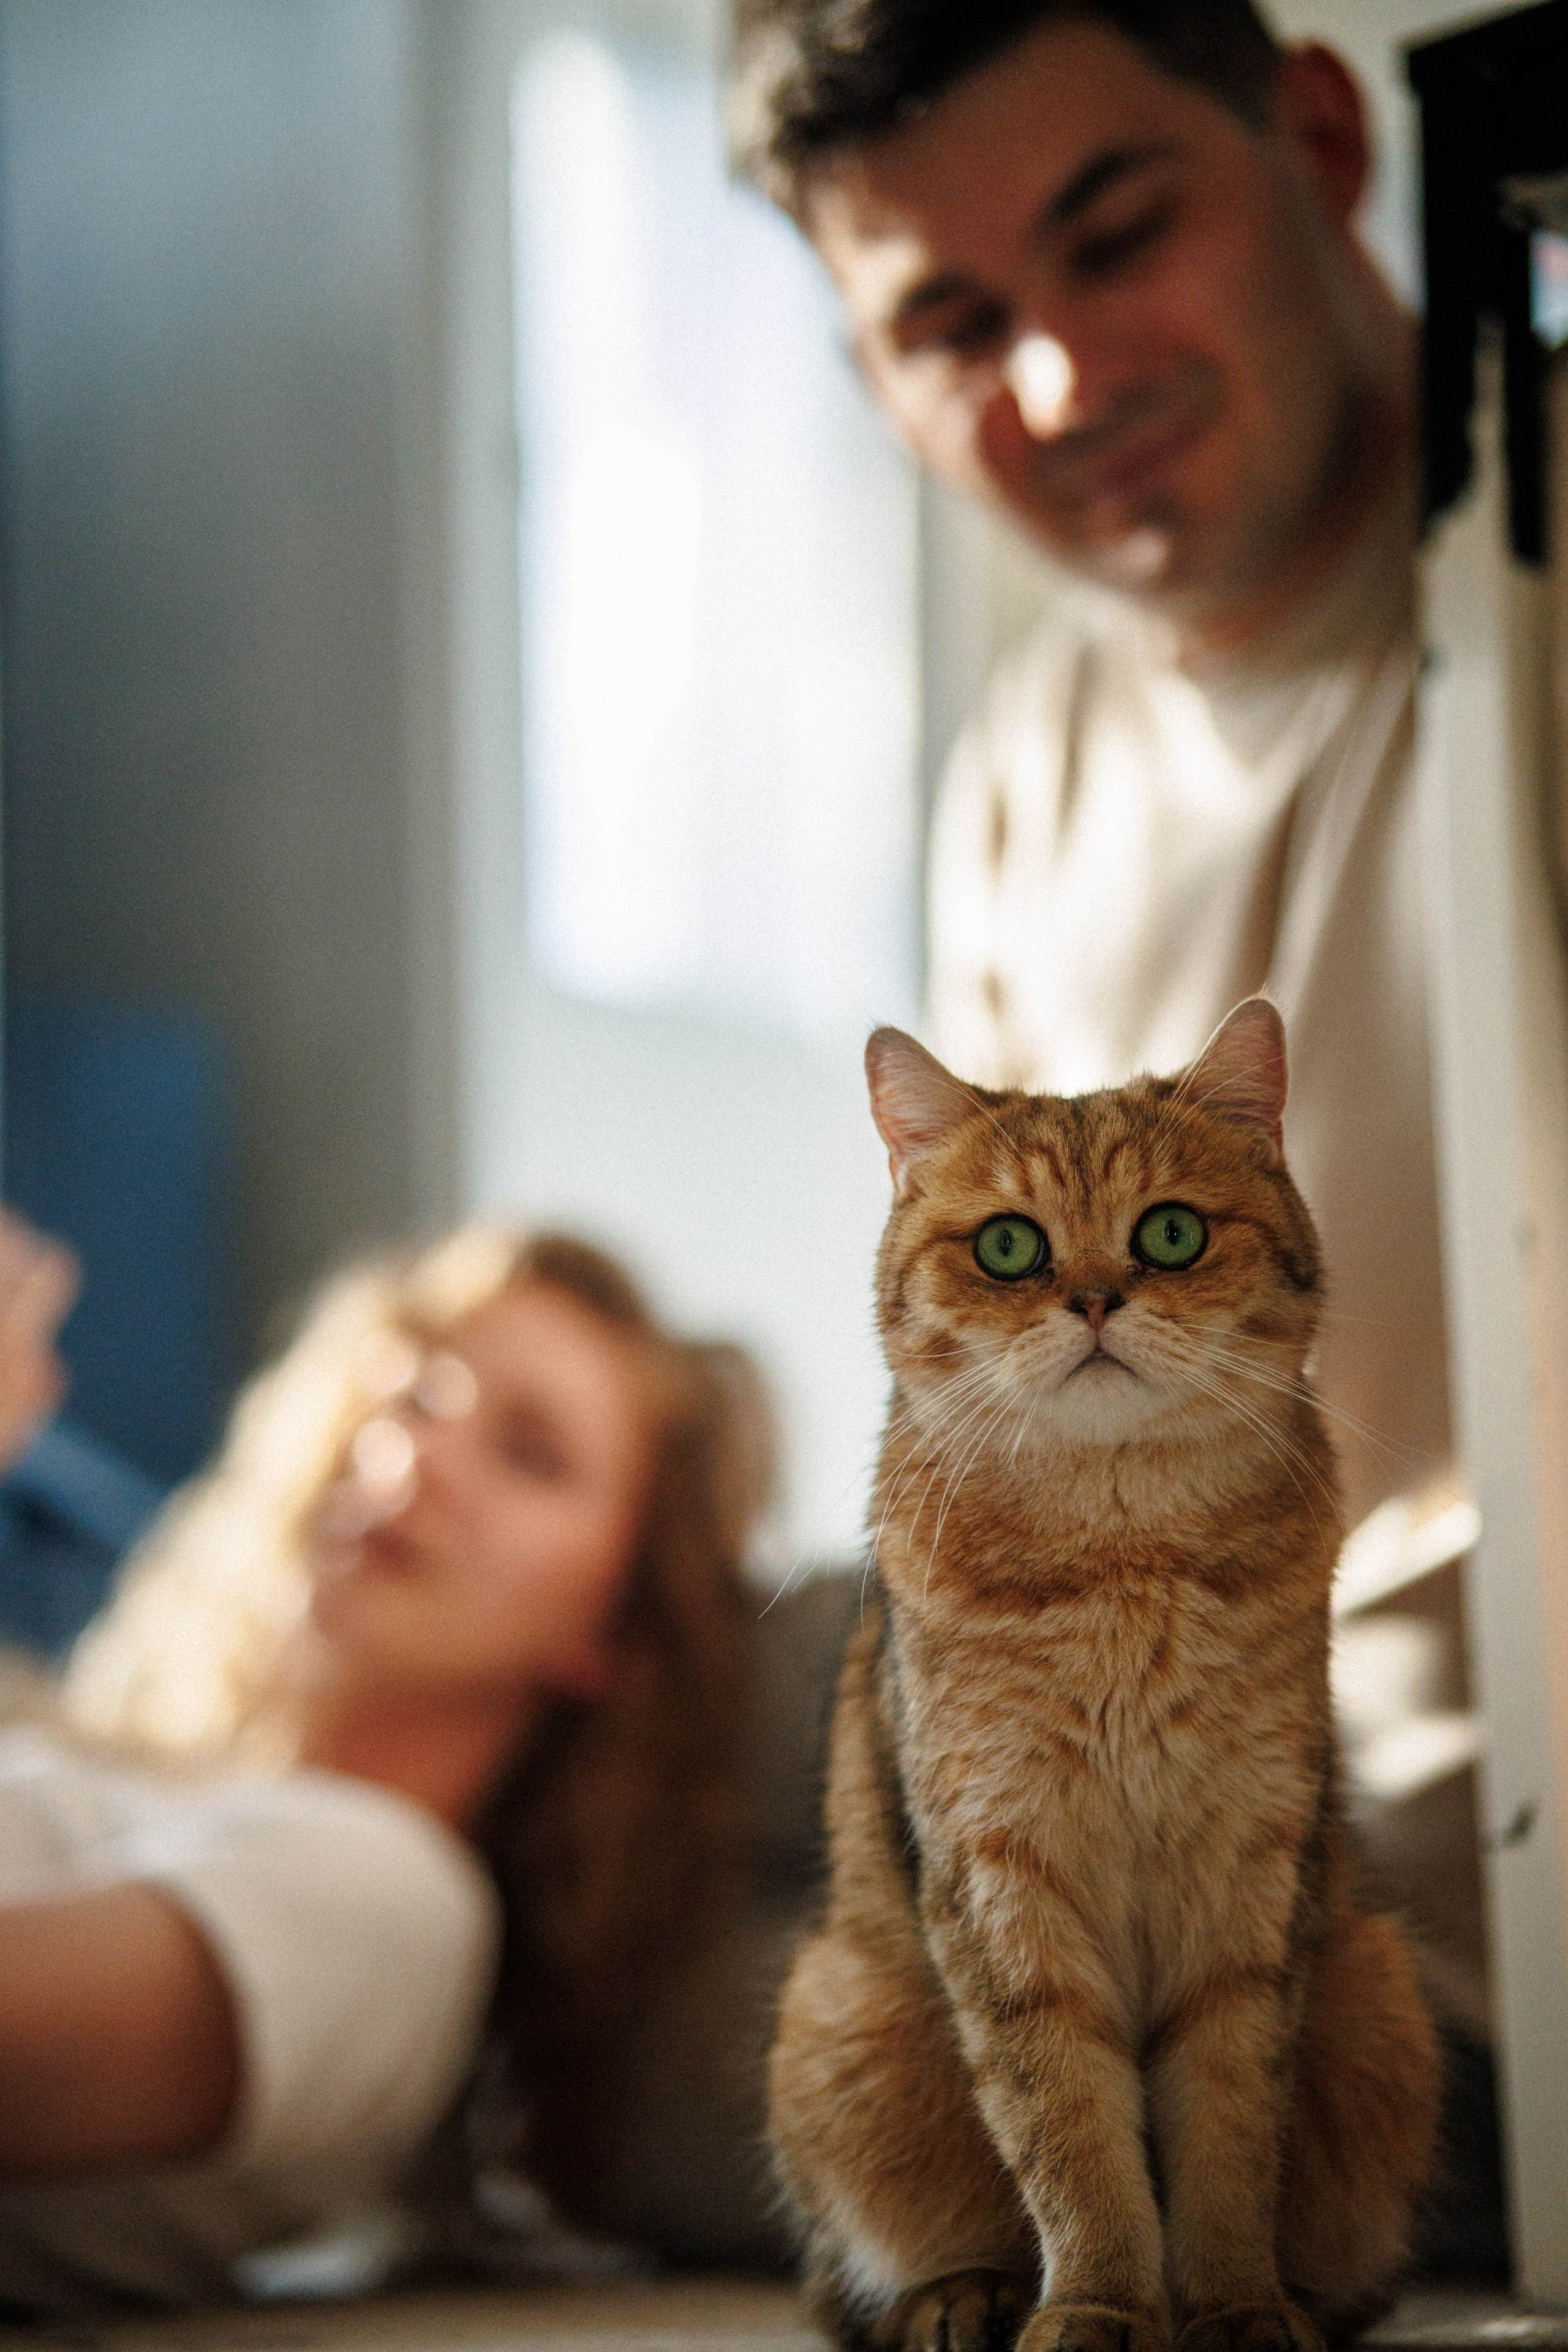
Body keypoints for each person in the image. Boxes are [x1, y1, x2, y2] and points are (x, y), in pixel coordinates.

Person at [729, 0, 1507, 2272]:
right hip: (1103, 1823)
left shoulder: (1525, 603)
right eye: (953, 325)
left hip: (1420, 1919)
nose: (1061, 382)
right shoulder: (1026, 762)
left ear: (1324, 133)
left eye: (1117, 234)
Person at [0, 1210, 787, 2315]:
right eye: (417, 1392)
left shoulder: (391, 1902)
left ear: (607, 1638)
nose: (411, 1453)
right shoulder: (92, 1750)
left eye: (528, 1453)